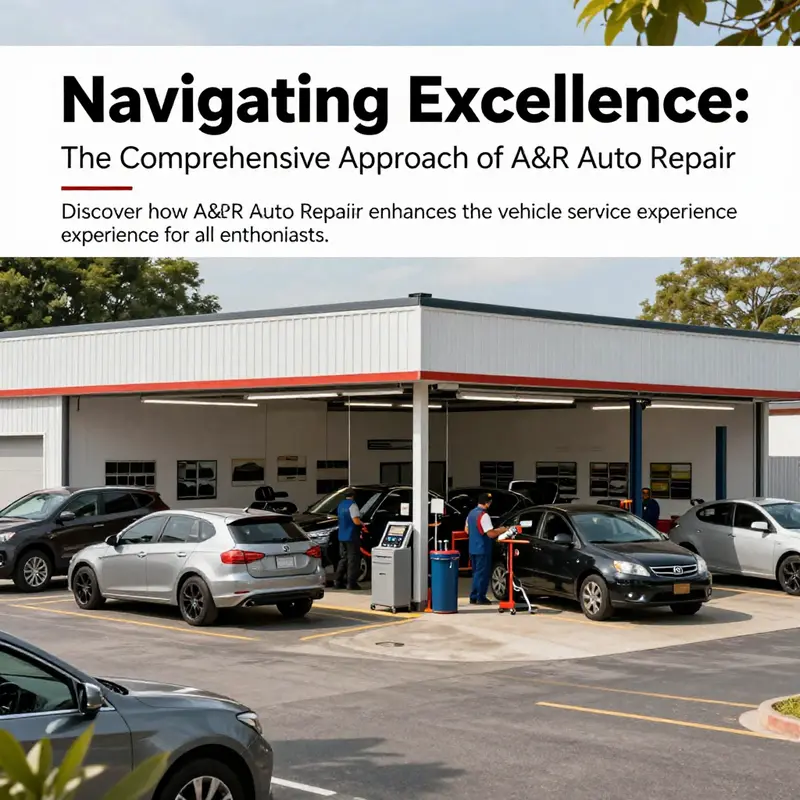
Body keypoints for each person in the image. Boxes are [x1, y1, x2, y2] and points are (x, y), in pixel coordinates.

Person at [466, 493, 509, 605]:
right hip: (482, 549)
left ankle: (473, 596)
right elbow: (490, 534)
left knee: (476, 573)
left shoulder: (471, 514)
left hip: (472, 548)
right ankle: (480, 597)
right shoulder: (484, 516)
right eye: (490, 502)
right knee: (482, 574)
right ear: (487, 503)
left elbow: (467, 529)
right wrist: (502, 530)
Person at [334, 490, 363, 590]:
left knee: (343, 558)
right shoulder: (353, 505)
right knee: (353, 560)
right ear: (353, 496)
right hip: (351, 535)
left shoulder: (341, 505)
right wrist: (362, 524)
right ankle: (351, 583)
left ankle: (338, 581)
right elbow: (356, 521)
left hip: (341, 535)